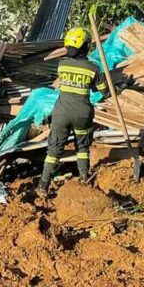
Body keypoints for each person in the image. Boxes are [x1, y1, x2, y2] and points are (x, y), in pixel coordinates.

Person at [38, 28, 109, 197]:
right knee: (82, 147)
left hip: (61, 113)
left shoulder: (62, 65)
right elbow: (104, 91)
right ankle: (84, 178)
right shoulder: (94, 68)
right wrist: (123, 85)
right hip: (82, 114)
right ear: (85, 46)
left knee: (54, 151)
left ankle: (43, 186)